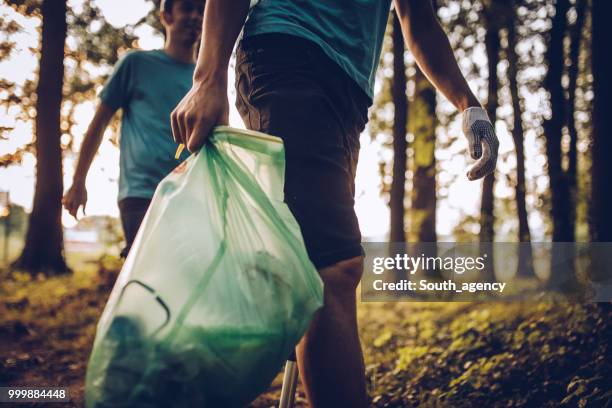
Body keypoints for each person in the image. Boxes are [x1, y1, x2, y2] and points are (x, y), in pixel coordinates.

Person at [171, 0, 499, 406]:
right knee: (333, 268)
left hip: (349, 93)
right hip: (286, 53)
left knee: (314, 262)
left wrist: (468, 104)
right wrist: (207, 77)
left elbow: (419, 19)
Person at [63, 0, 205, 257]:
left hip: (191, 195)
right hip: (142, 193)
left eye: (201, 10)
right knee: (149, 282)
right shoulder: (136, 64)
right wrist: (78, 182)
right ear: (166, 16)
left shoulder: (206, 80)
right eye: (187, 7)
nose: (195, 16)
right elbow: (98, 124)